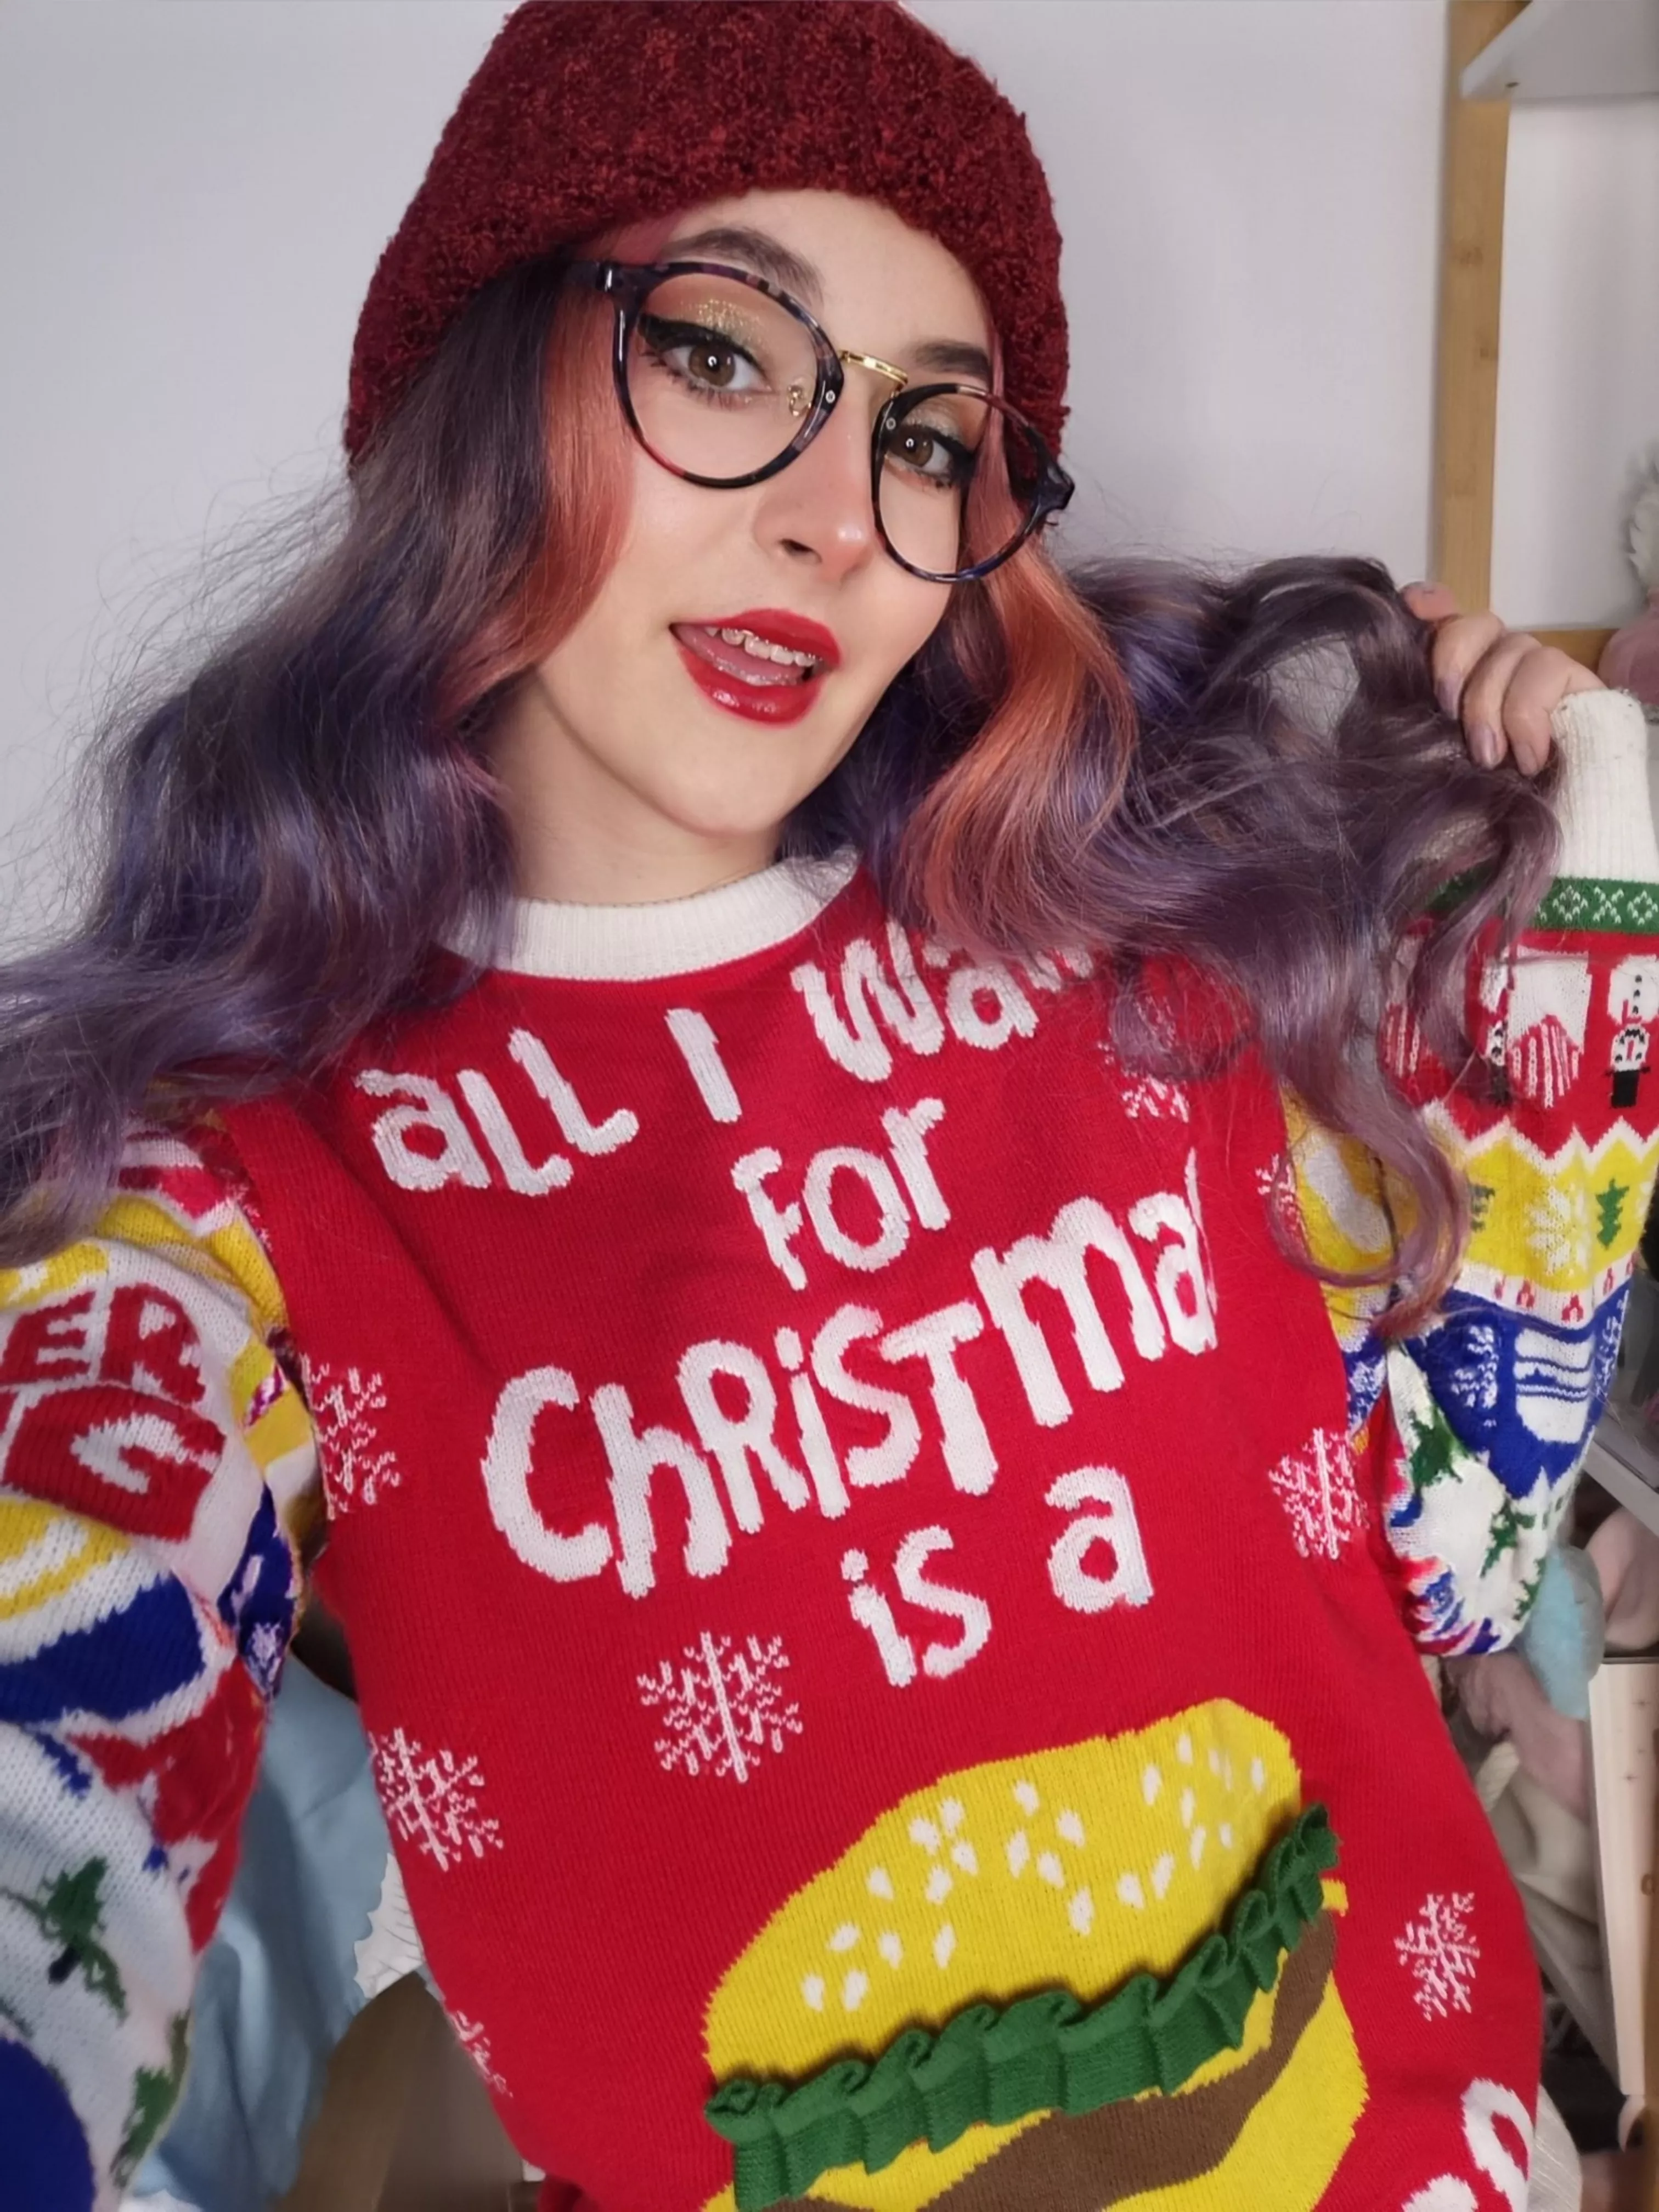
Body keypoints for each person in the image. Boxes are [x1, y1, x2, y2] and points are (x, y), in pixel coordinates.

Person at [0, 5, 1652, 2208]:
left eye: (930, 434)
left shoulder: (1148, 962)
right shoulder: (235, 1206)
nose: (832, 526)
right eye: (719, 353)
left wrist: (1604, 893)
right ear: (489, 387)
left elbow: (1454, 1560)